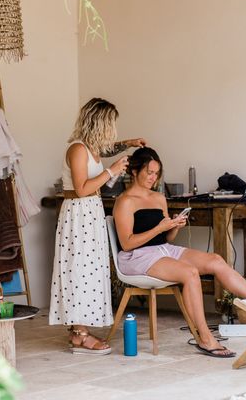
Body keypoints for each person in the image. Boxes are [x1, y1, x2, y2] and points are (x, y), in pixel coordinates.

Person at [113, 147, 246, 358]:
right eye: (149, 172)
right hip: (137, 257)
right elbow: (127, 244)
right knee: (189, 273)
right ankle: (205, 338)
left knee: (215, 260)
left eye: (156, 173)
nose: (153, 178)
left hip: (162, 250)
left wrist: (173, 226)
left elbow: (165, 238)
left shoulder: (158, 197)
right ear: (134, 171)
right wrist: (159, 228)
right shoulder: (125, 201)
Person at [49, 98, 146, 355]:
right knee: (79, 271)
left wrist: (128, 144)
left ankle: (81, 331)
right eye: (110, 124)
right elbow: (81, 189)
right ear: (99, 123)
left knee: (90, 272)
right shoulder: (77, 149)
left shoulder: (91, 148)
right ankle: (79, 336)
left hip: (90, 214)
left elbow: (107, 149)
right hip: (78, 214)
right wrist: (111, 171)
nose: (112, 130)